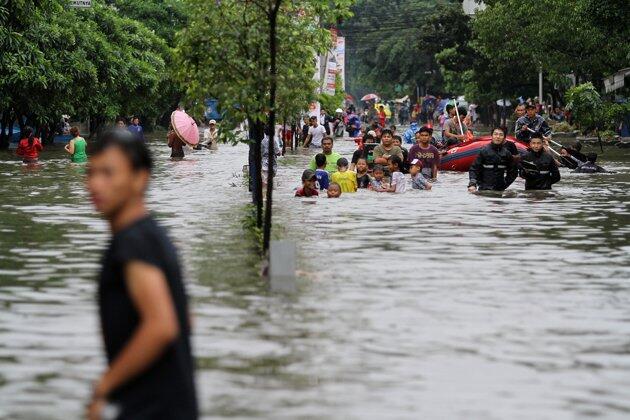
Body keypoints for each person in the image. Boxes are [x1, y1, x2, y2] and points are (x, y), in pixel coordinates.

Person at [86, 130, 197, 420]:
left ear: (140, 178)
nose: (95, 184)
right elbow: (185, 318)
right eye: (91, 172)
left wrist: (104, 386)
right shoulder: (154, 235)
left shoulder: (133, 242)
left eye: (108, 173)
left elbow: (162, 325)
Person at [468, 127, 518, 192]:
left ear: (504, 137)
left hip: (499, 190)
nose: (498, 137)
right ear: (492, 136)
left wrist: (505, 184)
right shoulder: (484, 151)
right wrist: (472, 184)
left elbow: (513, 172)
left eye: (501, 135)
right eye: (495, 134)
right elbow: (474, 169)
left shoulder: (507, 153)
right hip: (484, 189)